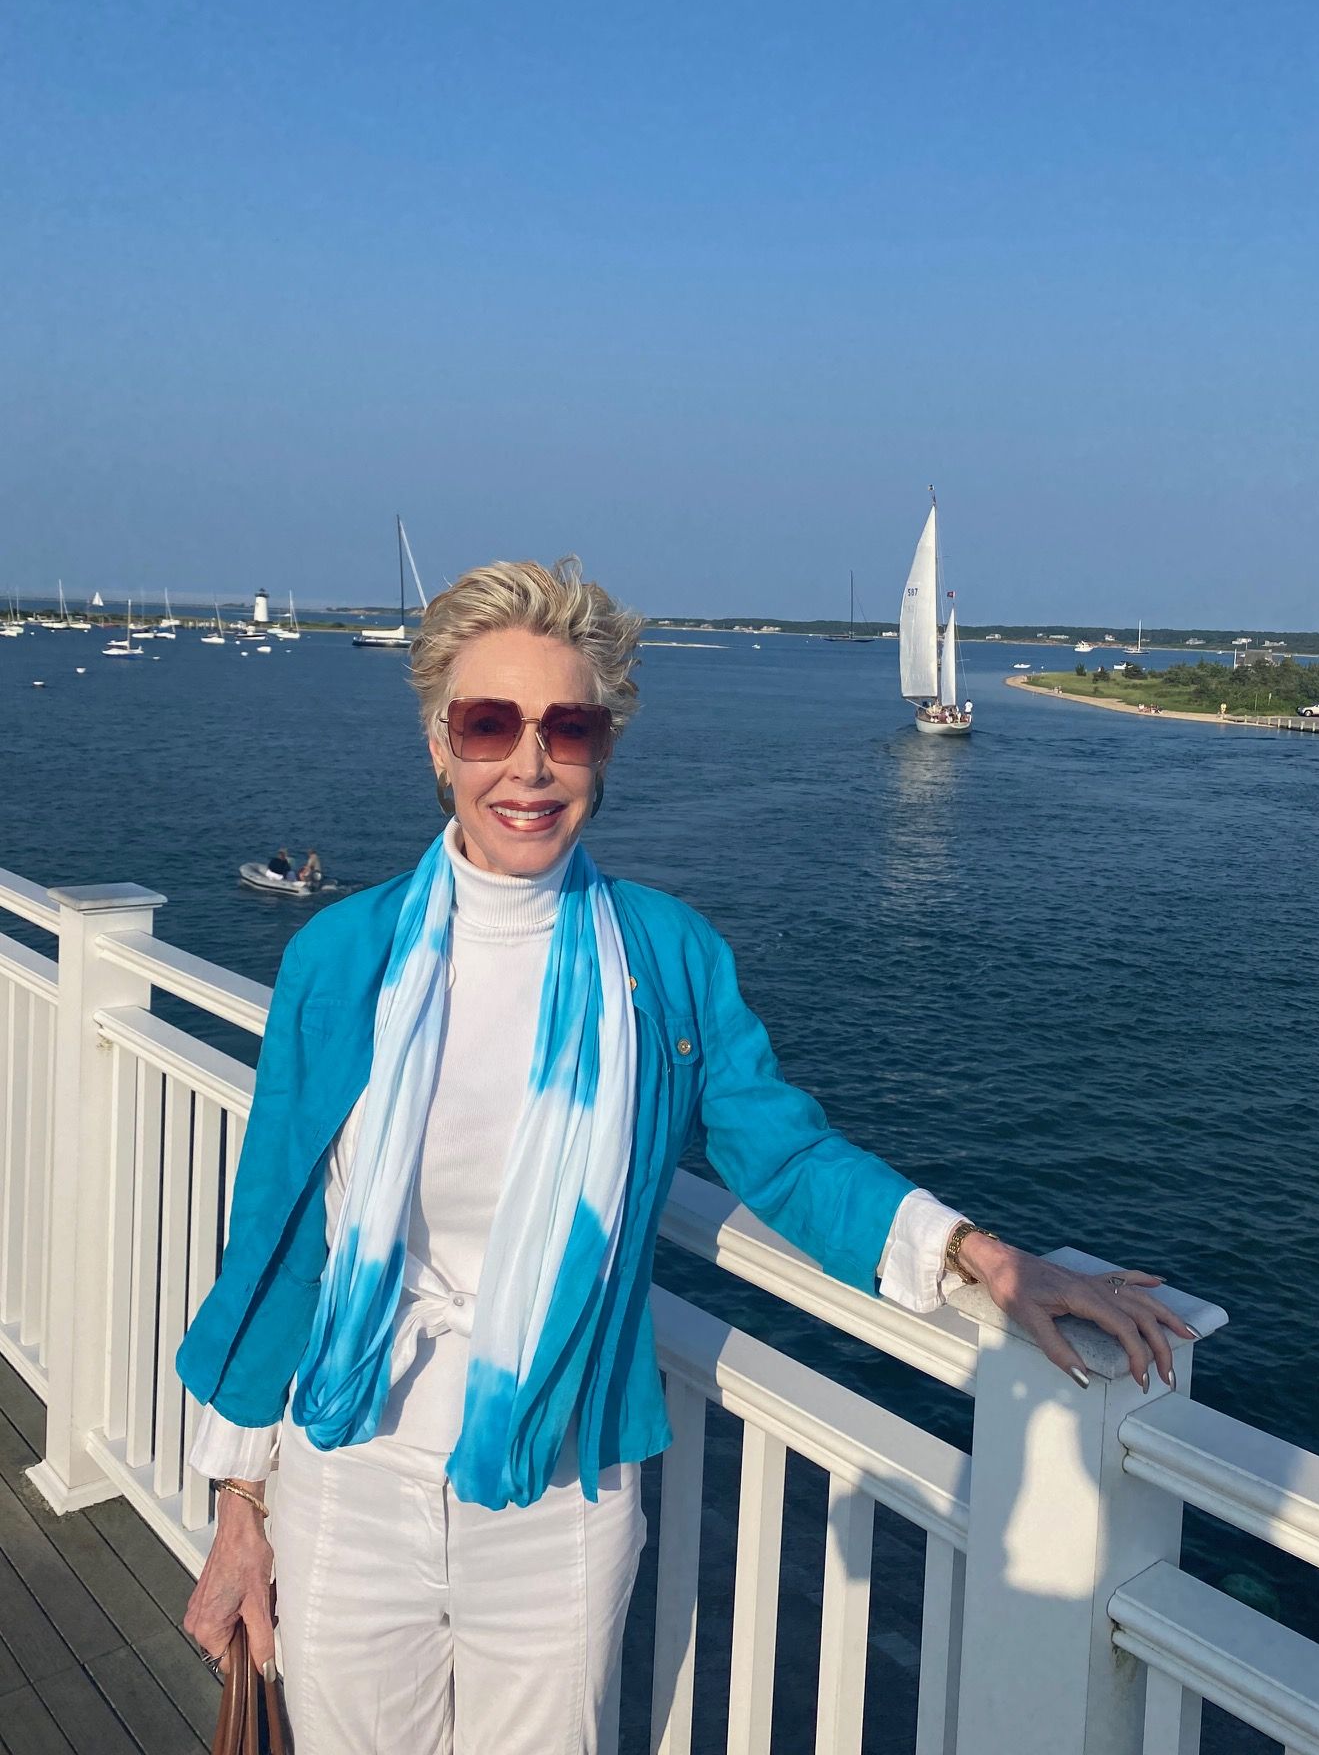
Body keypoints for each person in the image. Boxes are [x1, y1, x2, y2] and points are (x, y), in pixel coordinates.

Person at [178, 557, 1193, 1754]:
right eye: (490, 723)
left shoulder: (665, 958)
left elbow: (782, 1153)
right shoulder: (343, 958)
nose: (530, 763)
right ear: (441, 747)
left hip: (562, 1481)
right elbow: (283, 1229)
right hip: (348, 1465)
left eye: (570, 727)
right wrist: (240, 1501)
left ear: (605, 750)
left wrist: (979, 1254)